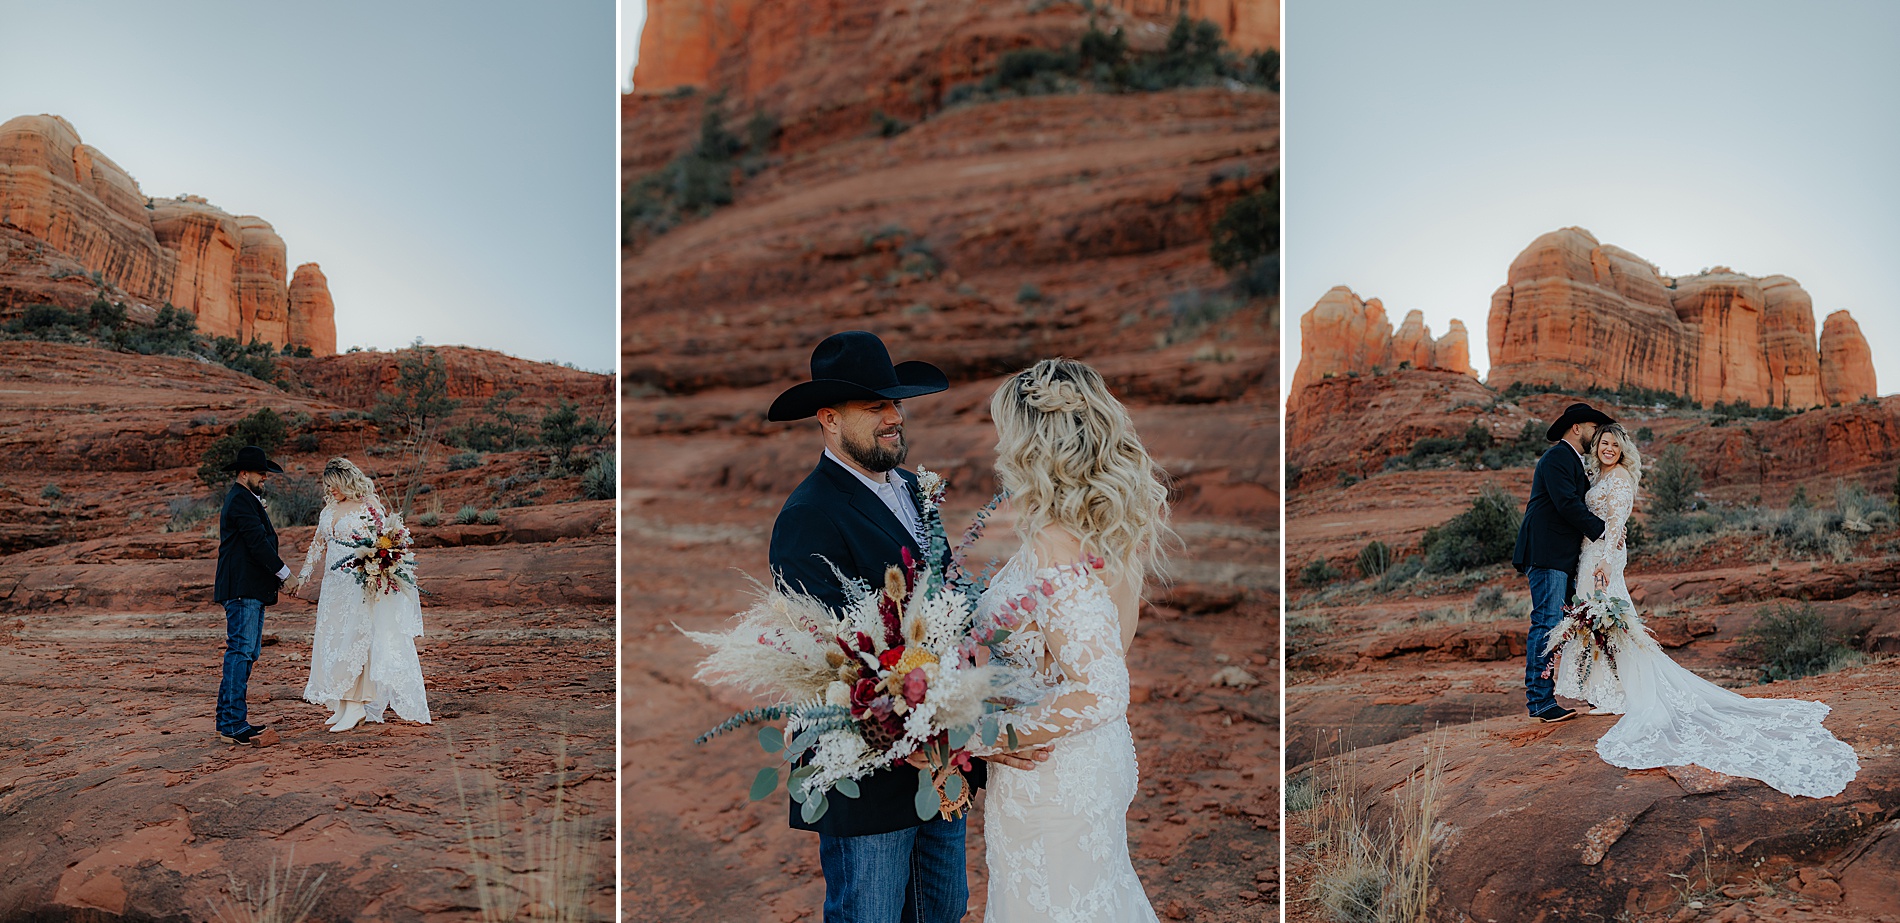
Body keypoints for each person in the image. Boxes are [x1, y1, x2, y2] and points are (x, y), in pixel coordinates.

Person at [766, 330, 1043, 923]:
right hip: (868, 776)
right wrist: (902, 730)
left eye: (895, 404)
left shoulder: (915, 491)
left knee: (944, 910)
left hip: (943, 761)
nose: (895, 418)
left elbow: (942, 606)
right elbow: (821, 662)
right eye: (876, 408)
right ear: (828, 419)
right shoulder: (808, 515)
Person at [1548, 425, 1859, 798]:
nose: (1609, 449)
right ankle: (1611, 692)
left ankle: (1628, 692)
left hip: (1602, 559)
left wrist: (1608, 563)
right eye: (1604, 444)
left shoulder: (1619, 481)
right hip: (1589, 555)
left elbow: (1617, 525)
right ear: (1596, 448)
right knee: (1604, 624)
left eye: (1615, 445)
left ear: (1623, 450)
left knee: (1614, 623)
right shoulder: (1598, 476)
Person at [968, 358, 1174, 923]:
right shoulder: (1100, 530)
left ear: (1030, 443)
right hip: (1078, 756)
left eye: (1005, 431)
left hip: (1054, 772)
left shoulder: (1057, 541)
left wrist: (984, 734)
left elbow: (1103, 687)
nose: (998, 447)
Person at [290, 457, 431, 731]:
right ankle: (342, 702)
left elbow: (384, 541)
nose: (330, 490)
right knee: (332, 640)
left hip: (358, 584)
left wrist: (381, 568)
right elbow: (316, 547)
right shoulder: (328, 511)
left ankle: (356, 704)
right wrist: (303, 577)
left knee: (354, 641)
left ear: (346, 481)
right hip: (332, 588)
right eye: (327, 486)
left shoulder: (369, 506)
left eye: (334, 485)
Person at [1511, 401, 1613, 723]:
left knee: (1560, 624)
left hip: (1561, 556)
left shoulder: (1573, 461)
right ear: (1577, 428)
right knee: (1546, 622)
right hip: (1546, 553)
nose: (1597, 436)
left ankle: (1559, 695)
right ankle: (1540, 702)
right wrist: (1604, 533)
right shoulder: (1557, 457)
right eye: (1594, 429)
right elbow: (1567, 503)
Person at [212, 445, 291, 747]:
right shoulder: (241, 501)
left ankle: (227, 721)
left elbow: (258, 543)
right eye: (261, 474)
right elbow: (258, 544)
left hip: (249, 589)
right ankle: (233, 723)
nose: (265, 479)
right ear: (244, 473)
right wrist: (286, 575)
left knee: (245, 652)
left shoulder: (246, 499)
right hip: (242, 590)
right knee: (241, 652)